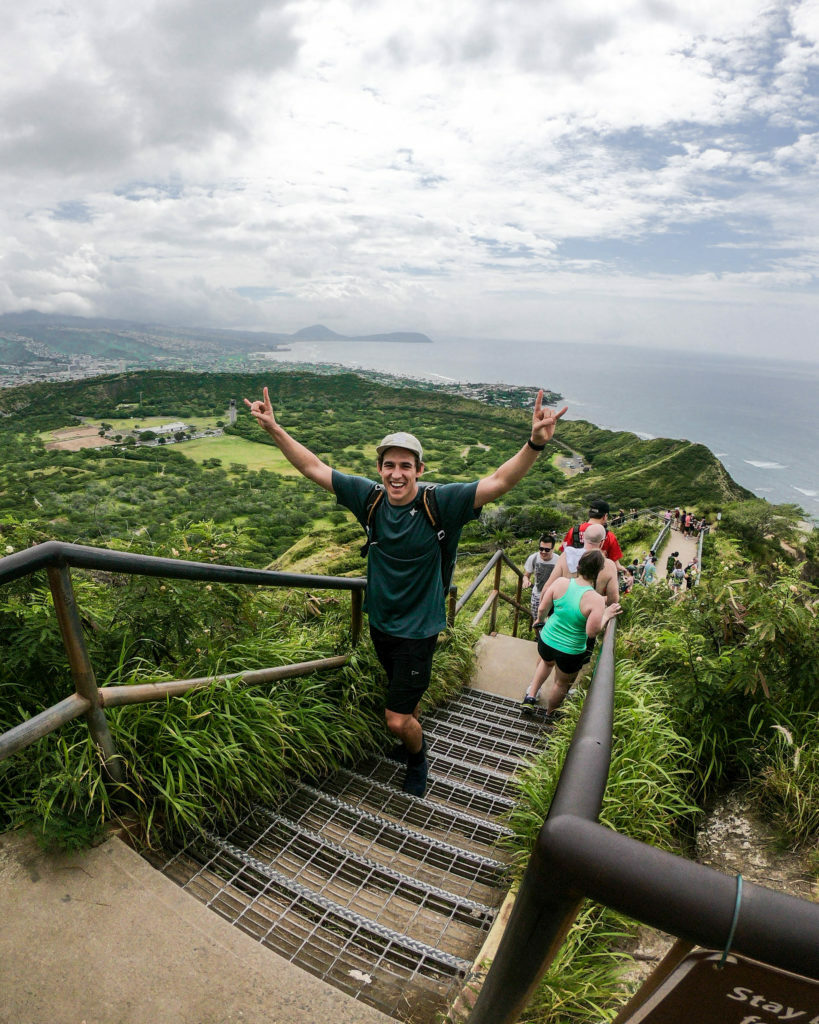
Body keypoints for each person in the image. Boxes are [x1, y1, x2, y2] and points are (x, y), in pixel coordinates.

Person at [244, 385, 567, 798]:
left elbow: (499, 481)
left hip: (419, 630)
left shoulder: (441, 502)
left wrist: (534, 444)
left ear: (419, 469)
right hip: (381, 623)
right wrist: (273, 428)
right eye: (389, 465)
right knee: (404, 699)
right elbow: (314, 468)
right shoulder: (370, 499)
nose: (397, 473)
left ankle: (417, 757)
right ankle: (410, 734)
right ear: (379, 469)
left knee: (396, 718)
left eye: (406, 466)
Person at [521, 550, 622, 715]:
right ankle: (550, 712)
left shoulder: (561, 583)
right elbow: (591, 632)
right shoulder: (595, 599)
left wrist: (539, 620)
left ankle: (530, 698)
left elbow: (542, 608)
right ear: (598, 571)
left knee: (545, 663)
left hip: (547, 638)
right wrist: (606, 614)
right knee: (561, 683)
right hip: (571, 649)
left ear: (579, 566)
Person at [561, 498, 624, 569]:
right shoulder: (609, 536)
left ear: (590, 514)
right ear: (605, 516)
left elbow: (564, 553)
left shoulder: (573, 531)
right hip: (598, 577)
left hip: (575, 576)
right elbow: (616, 565)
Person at [522, 535, 559, 625]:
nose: (543, 552)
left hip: (554, 598)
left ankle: (546, 638)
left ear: (553, 549)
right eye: (541, 549)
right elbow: (526, 575)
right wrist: (525, 581)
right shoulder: (533, 558)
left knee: (552, 623)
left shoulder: (559, 560)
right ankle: (538, 638)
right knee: (537, 621)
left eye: (547, 550)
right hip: (537, 596)